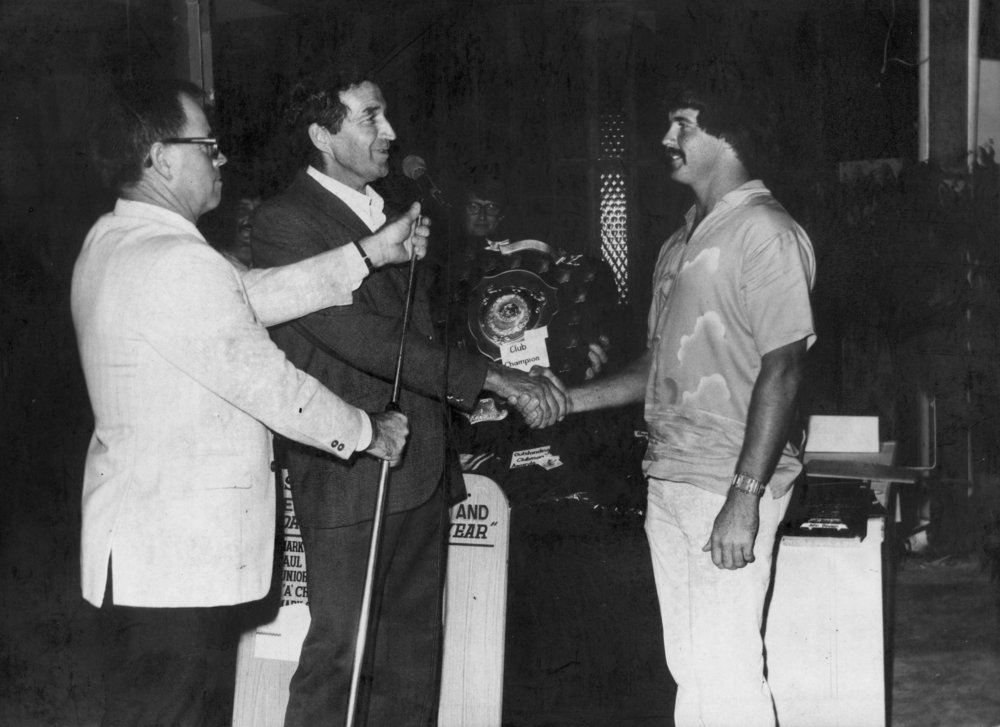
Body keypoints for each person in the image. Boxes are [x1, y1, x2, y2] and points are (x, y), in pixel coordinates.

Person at [71, 78, 429, 727]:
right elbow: (271, 385)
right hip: (180, 563)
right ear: (161, 159)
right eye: (206, 145)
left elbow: (247, 297)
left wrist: (371, 252)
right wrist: (366, 431)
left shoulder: (114, 240)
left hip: (144, 555)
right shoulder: (178, 263)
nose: (222, 157)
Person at [249, 69, 567, 727]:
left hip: (420, 471)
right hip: (350, 474)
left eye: (386, 114)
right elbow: (360, 337)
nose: (390, 131)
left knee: (410, 665)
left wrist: (477, 389)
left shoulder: (395, 208)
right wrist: (494, 379)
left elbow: (421, 332)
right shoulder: (286, 221)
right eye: (370, 117)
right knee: (340, 660)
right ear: (321, 136)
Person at [550, 86, 816, 727]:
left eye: (683, 125)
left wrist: (744, 496)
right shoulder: (680, 241)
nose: (667, 139)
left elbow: (783, 367)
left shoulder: (767, 232)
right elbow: (656, 363)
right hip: (669, 476)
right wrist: (566, 400)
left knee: (727, 674)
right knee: (693, 670)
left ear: (729, 138)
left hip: (728, 479)